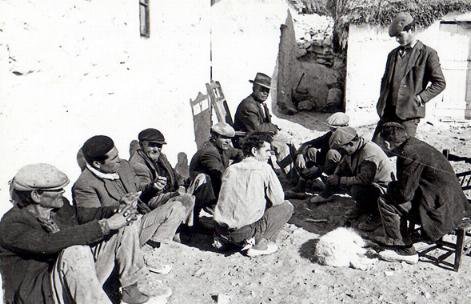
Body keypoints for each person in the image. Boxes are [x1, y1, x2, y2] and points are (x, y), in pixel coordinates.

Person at [0, 163, 154, 304]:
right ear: (36, 195)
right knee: (76, 250)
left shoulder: (59, 206)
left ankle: (131, 292)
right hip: (44, 294)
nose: (62, 192)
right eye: (57, 189)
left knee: (123, 227)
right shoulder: (12, 224)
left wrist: (117, 209)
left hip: (79, 280)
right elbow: (48, 243)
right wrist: (106, 225)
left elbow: (83, 216)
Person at [73, 135, 190, 249]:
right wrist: (118, 207)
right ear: (97, 164)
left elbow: (138, 188)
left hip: (140, 218)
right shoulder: (84, 185)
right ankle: (146, 251)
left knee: (177, 207)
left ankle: (153, 247)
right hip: (121, 231)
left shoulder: (123, 166)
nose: (119, 160)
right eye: (113, 158)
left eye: (117, 155)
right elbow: (88, 219)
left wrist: (153, 187)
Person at [376, 122, 467, 264]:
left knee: (385, 201)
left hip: (442, 212)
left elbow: (404, 195)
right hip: (456, 204)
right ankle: (402, 238)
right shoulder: (413, 144)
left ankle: (405, 250)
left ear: (387, 144)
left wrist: (390, 187)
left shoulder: (408, 154)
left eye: (381, 143)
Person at [213, 132, 294, 257]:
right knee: (287, 207)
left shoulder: (231, 169)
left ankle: (224, 240)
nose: (269, 155)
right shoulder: (264, 168)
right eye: (267, 151)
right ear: (254, 151)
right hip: (243, 233)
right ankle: (259, 243)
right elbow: (278, 200)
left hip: (220, 230)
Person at [372, 12, 446, 143]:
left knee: (406, 152)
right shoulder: (392, 54)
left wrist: (420, 98)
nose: (397, 40)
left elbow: (440, 83)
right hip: (388, 112)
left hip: (408, 114)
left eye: (400, 35)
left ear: (411, 30)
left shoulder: (428, 54)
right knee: (375, 148)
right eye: (395, 37)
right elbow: (385, 81)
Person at [312, 127, 393, 231]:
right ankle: (362, 206)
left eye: (342, 148)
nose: (341, 152)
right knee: (345, 178)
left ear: (351, 143)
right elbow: (344, 163)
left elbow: (364, 180)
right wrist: (336, 174)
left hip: (381, 190)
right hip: (367, 181)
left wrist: (340, 180)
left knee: (356, 190)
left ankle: (377, 214)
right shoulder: (353, 148)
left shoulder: (369, 154)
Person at [129, 128, 194, 233]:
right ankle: (179, 231)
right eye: (152, 145)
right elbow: (142, 189)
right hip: (153, 199)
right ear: (141, 145)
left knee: (198, 185)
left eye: (159, 146)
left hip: (168, 192)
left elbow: (175, 175)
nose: (156, 149)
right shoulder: (138, 164)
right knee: (187, 199)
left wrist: (181, 185)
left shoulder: (161, 157)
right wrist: (153, 186)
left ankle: (185, 227)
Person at [233, 72, 294, 181]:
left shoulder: (259, 103)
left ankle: (300, 174)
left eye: (267, 90)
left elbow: (264, 125)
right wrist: (274, 128)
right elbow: (257, 129)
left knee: (291, 140)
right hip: (248, 139)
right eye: (262, 89)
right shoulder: (248, 105)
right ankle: (294, 178)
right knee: (282, 147)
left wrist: (275, 129)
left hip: (259, 136)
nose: (265, 93)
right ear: (254, 87)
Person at [189, 122, 243, 226]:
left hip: (214, 187)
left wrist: (236, 165)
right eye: (224, 137)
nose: (228, 141)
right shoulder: (209, 152)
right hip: (204, 191)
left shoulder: (223, 148)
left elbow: (240, 153)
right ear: (214, 136)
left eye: (230, 138)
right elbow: (221, 175)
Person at [294, 112, 348, 191]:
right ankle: (311, 179)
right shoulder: (329, 135)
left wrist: (320, 170)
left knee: (332, 153)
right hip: (324, 167)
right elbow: (310, 143)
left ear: (345, 126)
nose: (332, 131)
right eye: (331, 128)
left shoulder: (350, 141)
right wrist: (300, 154)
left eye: (334, 129)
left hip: (339, 172)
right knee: (311, 150)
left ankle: (325, 182)